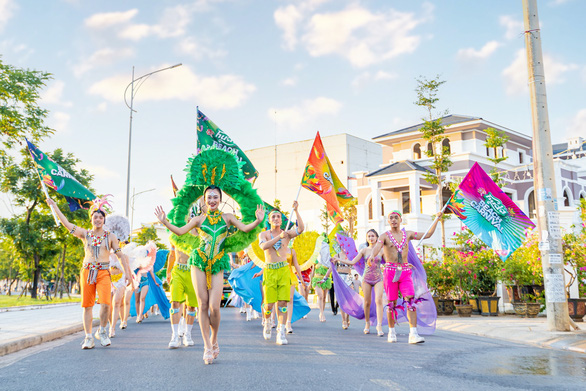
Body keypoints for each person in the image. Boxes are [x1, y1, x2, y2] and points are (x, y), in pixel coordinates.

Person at [155, 185, 264, 364]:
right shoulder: (198, 219)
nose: (212, 200)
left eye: (215, 197)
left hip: (217, 263)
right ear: (205, 200)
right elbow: (181, 232)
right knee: (202, 304)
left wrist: (258, 222)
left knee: (214, 306)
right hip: (199, 262)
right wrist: (165, 222)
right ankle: (206, 346)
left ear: (220, 199)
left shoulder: (227, 217)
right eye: (209, 197)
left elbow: (244, 228)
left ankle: (214, 339)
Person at [46, 197, 131, 349]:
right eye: (95, 217)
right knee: (87, 306)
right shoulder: (85, 234)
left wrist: (128, 274)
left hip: (104, 272)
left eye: (101, 217)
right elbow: (67, 224)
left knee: (106, 304)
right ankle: (88, 337)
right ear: (91, 219)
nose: (98, 219)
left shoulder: (110, 237)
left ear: (104, 220)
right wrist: (55, 207)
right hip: (87, 272)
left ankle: (103, 332)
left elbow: (120, 255)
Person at [367, 210, 442, 344]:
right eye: (391, 218)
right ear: (388, 221)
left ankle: (413, 334)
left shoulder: (407, 234)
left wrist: (436, 219)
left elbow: (428, 235)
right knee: (391, 304)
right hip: (390, 272)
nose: (394, 220)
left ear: (401, 219)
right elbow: (377, 247)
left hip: (405, 271)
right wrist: (372, 255)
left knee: (410, 301)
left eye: (396, 217)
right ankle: (391, 331)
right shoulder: (384, 236)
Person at [254, 204, 304, 345]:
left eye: (278, 217)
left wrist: (296, 211)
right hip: (270, 270)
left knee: (282, 303)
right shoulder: (263, 234)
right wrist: (278, 238)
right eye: (273, 217)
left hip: (283, 270)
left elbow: (301, 229)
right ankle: (268, 322)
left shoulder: (287, 234)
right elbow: (264, 246)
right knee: (268, 304)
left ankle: (281, 332)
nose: (276, 219)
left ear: (282, 220)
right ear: (269, 220)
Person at [336, 229, 384, 335]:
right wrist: (338, 260)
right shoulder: (364, 251)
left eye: (373, 236)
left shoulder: (382, 250)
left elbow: (389, 261)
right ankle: (367, 323)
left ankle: (379, 326)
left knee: (379, 300)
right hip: (366, 279)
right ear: (367, 238)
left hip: (379, 278)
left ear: (377, 237)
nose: (371, 238)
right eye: (369, 236)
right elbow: (353, 262)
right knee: (367, 302)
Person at [167, 247, 198, 348]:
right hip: (178, 270)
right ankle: (175, 336)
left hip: (192, 271)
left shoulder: (198, 233)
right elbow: (172, 254)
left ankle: (187, 334)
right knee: (174, 302)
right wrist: (168, 271)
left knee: (191, 306)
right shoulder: (176, 233)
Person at [311, 236, 332, 323]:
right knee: (320, 296)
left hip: (325, 279)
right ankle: (321, 313)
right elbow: (313, 270)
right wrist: (310, 282)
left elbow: (331, 268)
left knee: (323, 297)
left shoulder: (328, 260)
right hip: (317, 279)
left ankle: (321, 312)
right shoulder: (316, 259)